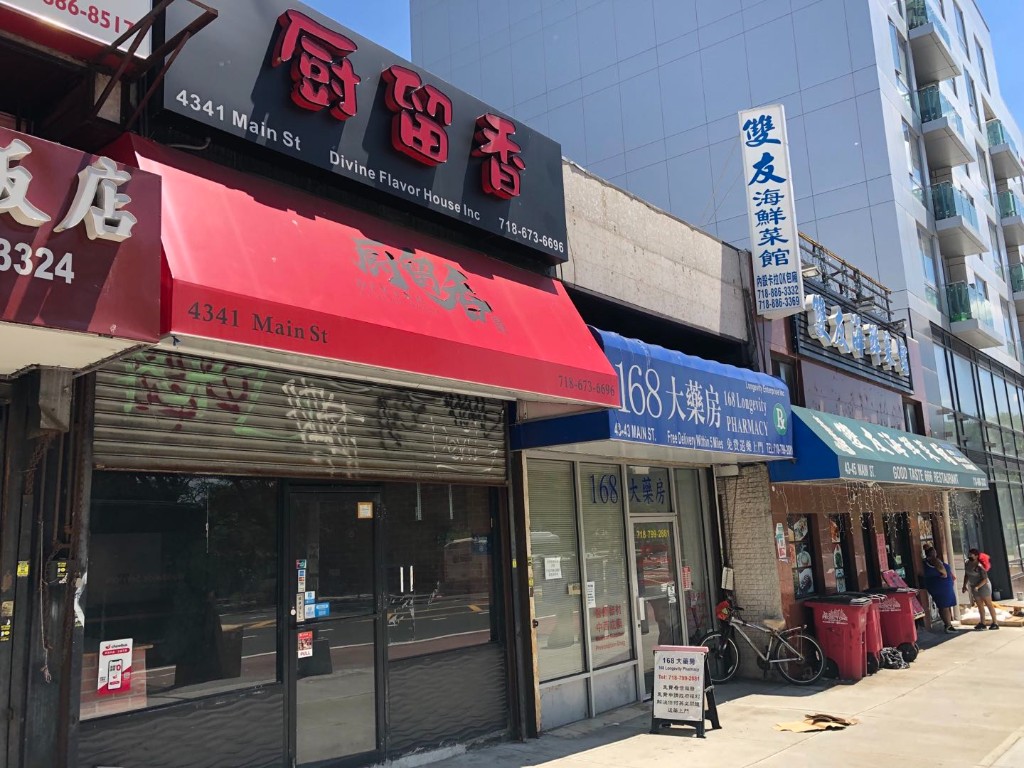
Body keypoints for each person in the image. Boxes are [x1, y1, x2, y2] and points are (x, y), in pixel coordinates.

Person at [962, 548, 1000, 630]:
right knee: (979, 605)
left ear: (976, 556)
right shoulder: (967, 563)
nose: (969, 556)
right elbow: (966, 574)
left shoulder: (979, 566)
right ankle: (982, 623)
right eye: (969, 554)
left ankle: (995, 622)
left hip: (983, 586)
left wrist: (978, 587)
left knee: (988, 604)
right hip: (974, 586)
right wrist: (964, 585)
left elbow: (985, 579)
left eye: (971, 555)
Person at [922, 546, 957, 633]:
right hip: (942, 587)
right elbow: (942, 570)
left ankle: (947, 624)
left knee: (943, 606)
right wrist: (945, 574)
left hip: (941, 586)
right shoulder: (934, 560)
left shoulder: (926, 562)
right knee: (944, 607)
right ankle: (948, 626)